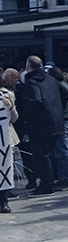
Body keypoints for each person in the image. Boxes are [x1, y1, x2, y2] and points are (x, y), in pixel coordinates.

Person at [16, 57, 68, 197]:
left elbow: (34, 101)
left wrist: (26, 120)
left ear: (28, 67)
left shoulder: (31, 82)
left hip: (39, 125)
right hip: (55, 122)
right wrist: (57, 110)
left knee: (40, 156)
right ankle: (50, 181)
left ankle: (46, 184)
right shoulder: (51, 79)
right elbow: (65, 94)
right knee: (50, 154)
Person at [0, 82, 20, 213]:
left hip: (4, 138)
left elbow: (14, 118)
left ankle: (3, 201)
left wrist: (11, 107)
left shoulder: (7, 94)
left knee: (5, 167)